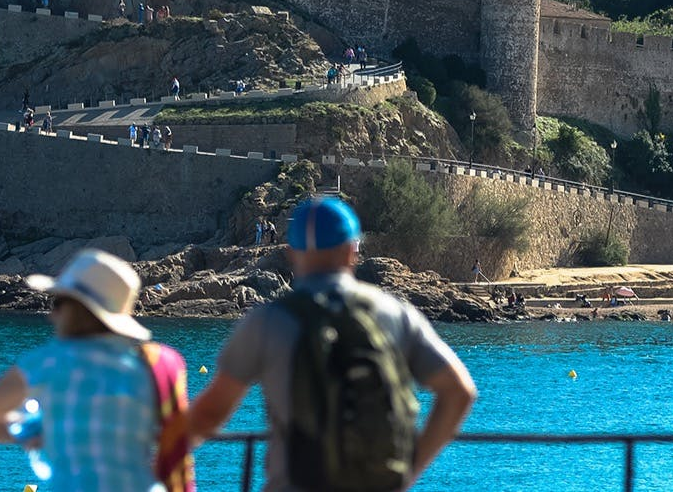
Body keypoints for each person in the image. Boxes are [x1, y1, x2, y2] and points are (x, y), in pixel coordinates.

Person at [188, 197, 476, 492]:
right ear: (353, 250)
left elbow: (210, 414)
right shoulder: (397, 313)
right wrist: (409, 472)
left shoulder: (267, 321)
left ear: (291, 253)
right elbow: (459, 391)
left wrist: (159, 448)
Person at [0, 248, 195, 492]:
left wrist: (39, 430)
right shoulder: (157, 363)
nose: (51, 314)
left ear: (72, 310)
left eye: (57, 303)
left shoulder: (47, 362)